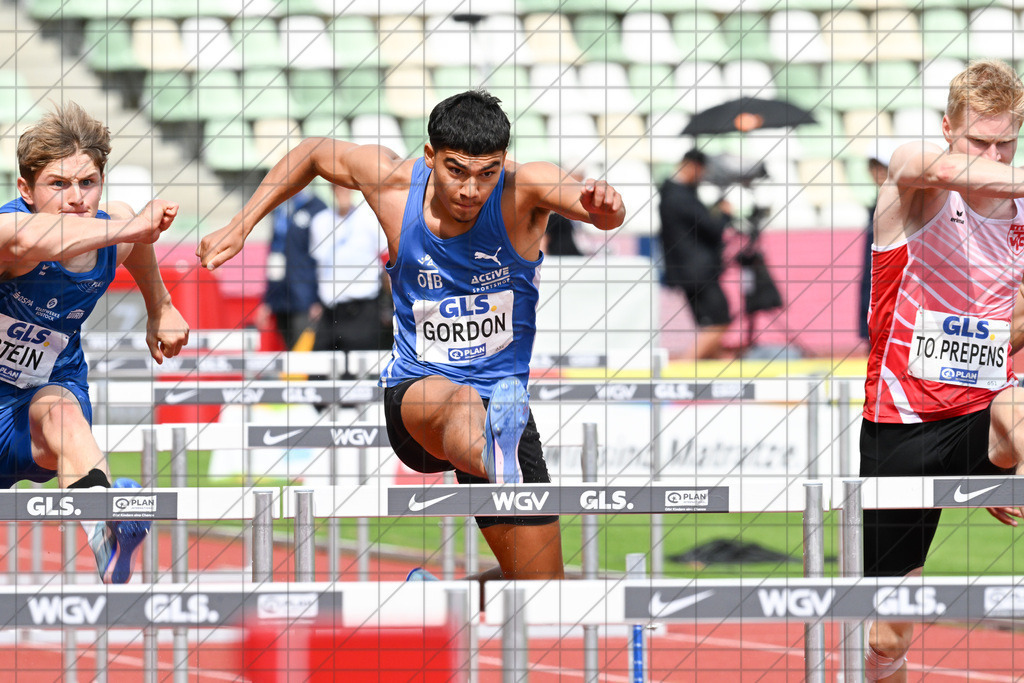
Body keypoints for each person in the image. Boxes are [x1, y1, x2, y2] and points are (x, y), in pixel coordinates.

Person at [198, 90, 624, 581]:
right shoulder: (394, 185)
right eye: (456, 171)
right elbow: (313, 152)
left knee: (542, 591)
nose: (471, 190)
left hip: (504, 401)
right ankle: (493, 450)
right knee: (462, 402)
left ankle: (431, 596)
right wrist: (241, 223)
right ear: (429, 157)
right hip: (421, 395)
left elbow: (596, 210)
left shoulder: (522, 188)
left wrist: (605, 207)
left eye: (486, 173)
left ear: (502, 163)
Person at [862, 59, 1024, 682]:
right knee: (886, 635)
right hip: (900, 427)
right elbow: (929, 165)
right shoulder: (918, 182)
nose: (993, 155)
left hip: (983, 412)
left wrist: (1005, 453)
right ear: (948, 131)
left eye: (1005, 143)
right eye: (979, 142)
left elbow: (1015, 330)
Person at [0, 103, 188, 583]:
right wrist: (134, 225)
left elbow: (136, 249)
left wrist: (159, 306)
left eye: (87, 183)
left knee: (64, 418)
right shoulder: (9, 229)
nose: (76, 197)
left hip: (45, 387)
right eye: (58, 185)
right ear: (25, 189)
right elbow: (30, 242)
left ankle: (108, 531)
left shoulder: (118, 228)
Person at [658, 148, 734, 359]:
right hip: (698, 271)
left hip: (689, 271)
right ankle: (682, 370)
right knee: (719, 322)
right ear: (694, 166)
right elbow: (710, 227)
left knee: (708, 324)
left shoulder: (672, 194)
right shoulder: (679, 196)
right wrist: (724, 215)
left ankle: (718, 369)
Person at [309, 184, 393, 354]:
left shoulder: (369, 218)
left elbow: (388, 260)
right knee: (318, 371)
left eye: (344, 186)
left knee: (359, 371)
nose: (341, 191)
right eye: (336, 187)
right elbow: (317, 266)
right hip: (330, 311)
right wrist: (315, 301)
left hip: (363, 308)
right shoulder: (320, 221)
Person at [256, 189, 327, 350]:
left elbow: (324, 257)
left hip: (305, 300)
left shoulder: (317, 208)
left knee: (304, 360)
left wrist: (317, 299)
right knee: (288, 360)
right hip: (281, 299)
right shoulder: (281, 207)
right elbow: (275, 253)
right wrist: (268, 300)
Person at [858, 143, 892, 343]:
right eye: (873, 166)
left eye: (882, 166)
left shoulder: (908, 205)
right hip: (874, 297)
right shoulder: (876, 205)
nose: (877, 172)